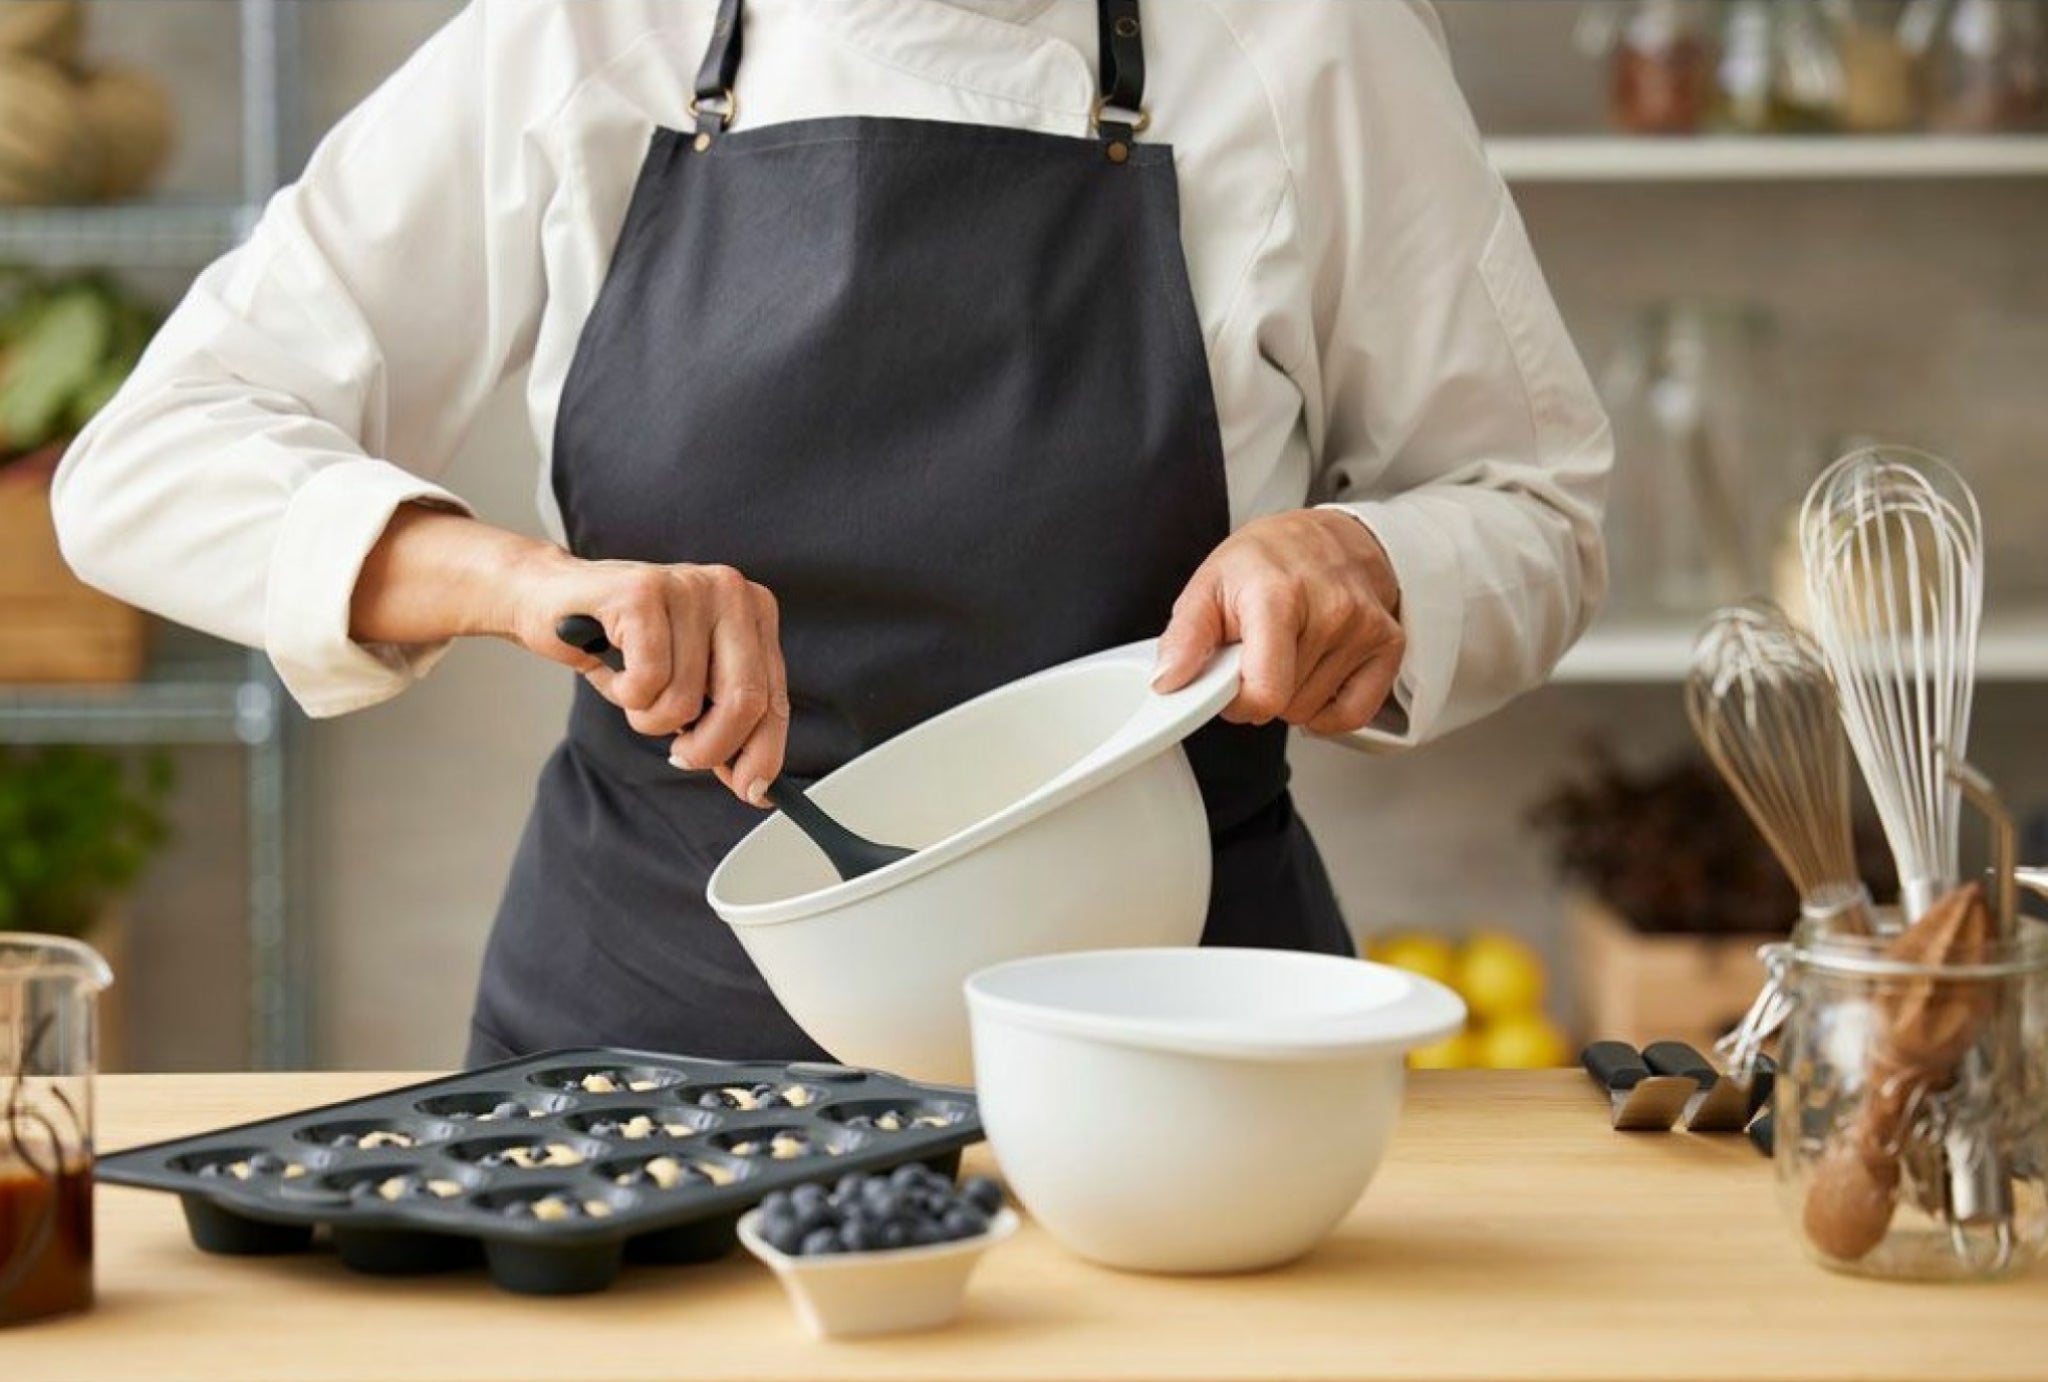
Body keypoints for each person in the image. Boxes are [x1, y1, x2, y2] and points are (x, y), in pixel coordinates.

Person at [53, 0, 1610, 1067]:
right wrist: (517, 581)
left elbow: (1529, 498)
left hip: (1173, 1048)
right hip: (650, 1047)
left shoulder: (1310, 39)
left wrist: (1366, 559)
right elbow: (151, 457)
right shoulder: (582, 34)